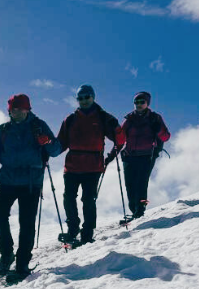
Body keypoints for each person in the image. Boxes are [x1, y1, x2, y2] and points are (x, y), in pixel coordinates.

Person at [0, 94, 62, 281]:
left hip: (31, 182)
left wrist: (46, 141)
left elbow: (55, 150)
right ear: (10, 111)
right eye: (15, 110)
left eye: (23, 109)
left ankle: (22, 263)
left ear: (28, 109)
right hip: (6, 180)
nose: (19, 113)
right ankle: (7, 255)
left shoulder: (38, 126)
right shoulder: (3, 130)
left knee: (27, 223)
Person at [56, 84, 124, 246]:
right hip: (72, 165)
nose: (84, 100)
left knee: (88, 199)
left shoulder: (104, 118)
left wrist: (111, 156)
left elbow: (120, 140)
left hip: (93, 166)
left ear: (93, 97)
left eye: (87, 97)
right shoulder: (70, 119)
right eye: (80, 98)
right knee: (69, 198)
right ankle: (73, 229)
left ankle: (87, 233)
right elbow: (61, 143)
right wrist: (44, 153)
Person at [112, 91, 171, 220]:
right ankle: (134, 211)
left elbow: (166, 137)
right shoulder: (129, 119)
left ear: (147, 103)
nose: (138, 104)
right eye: (136, 102)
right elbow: (121, 139)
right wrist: (113, 153)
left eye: (142, 102)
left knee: (141, 184)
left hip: (147, 156)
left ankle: (140, 211)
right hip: (129, 156)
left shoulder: (155, 118)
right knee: (129, 185)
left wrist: (158, 129)